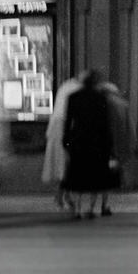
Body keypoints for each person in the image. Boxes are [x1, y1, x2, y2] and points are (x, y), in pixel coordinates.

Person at [62, 70, 123, 219]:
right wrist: (109, 146)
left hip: (78, 141)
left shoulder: (73, 97)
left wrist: (66, 141)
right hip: (97, 142)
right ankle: (90, 208)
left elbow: (68, 121)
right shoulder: (101, 98)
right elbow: (105, 124)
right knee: (96, 177)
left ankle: (76, 210)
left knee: (76, 177)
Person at [42, 71, 85, 211]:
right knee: (66, 166)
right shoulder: (77, 89)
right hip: (66, 130)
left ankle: (62, 197)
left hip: (57, 128)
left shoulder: (66, 86)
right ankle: (64, 197)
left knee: (63, 167)